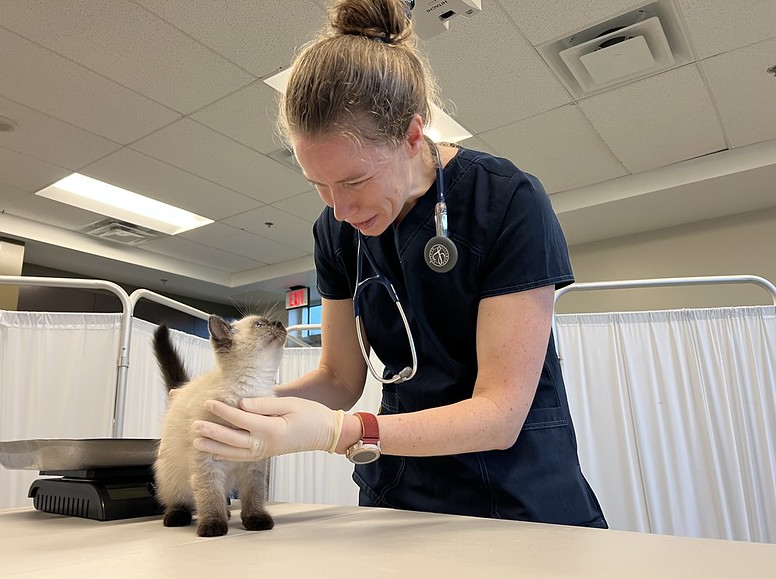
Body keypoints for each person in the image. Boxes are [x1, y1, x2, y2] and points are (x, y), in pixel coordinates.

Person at [192, 0, 607, 528]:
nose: (339, 209)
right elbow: (341, 376)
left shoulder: (505, 201)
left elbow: (500, 414)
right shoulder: (337, 232)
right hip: (400, 493)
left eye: (353, 181)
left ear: (413, 137)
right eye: (318, 186)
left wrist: (341, 432)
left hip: (516, 496)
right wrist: (237, 406)